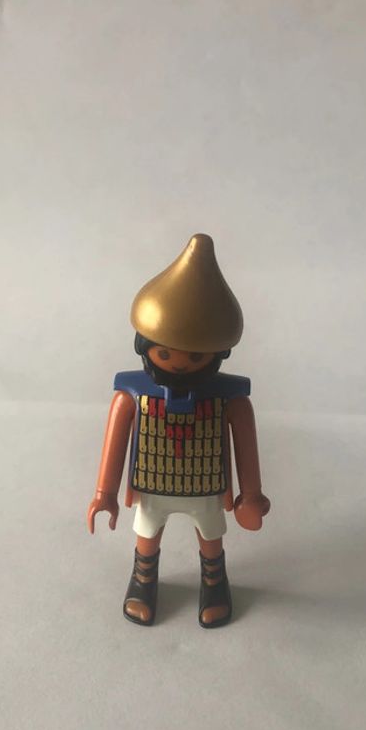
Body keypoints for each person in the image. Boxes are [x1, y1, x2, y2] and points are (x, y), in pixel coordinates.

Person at [87, 234, 270, 627]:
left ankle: (214, 581)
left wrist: (251, 494)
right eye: (166, 352)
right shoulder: (131, 395)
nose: (180, 363)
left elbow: (245, 448)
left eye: (195, 354)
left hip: (206, 483)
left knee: (211, 535)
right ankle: (143, 579)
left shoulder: (231, 400)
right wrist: (104, 493)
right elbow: (115, 444)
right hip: (152, 481)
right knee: (147, 533)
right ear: (145, 345)